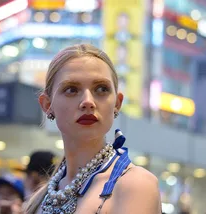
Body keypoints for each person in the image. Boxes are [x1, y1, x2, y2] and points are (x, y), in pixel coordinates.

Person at [25, 44, 161, 213]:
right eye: (71, 90)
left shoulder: (134, 184)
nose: (88, 101)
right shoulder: (42, 198)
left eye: (101, 89)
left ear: (117, 103)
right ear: (47, 105)